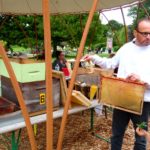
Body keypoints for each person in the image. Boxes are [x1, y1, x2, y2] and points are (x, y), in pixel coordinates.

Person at [83, 17, 150, 150]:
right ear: (136, 32)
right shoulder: (126, 48)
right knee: (116, 135)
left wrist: (142, 81)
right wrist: (94, 57)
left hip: (143, 103)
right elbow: (110, 64)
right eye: (145, 33)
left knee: (141, 138)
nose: (148, 37)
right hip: (122, 101)